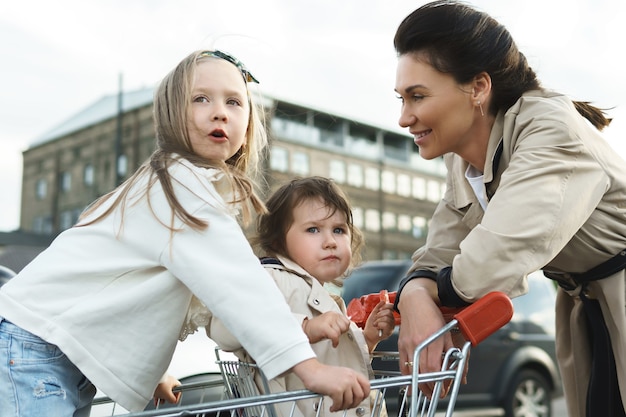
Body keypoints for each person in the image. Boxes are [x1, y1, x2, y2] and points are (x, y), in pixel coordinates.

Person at [0, 49, 369, 416]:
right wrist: (310, 368)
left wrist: (152, 370)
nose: (220, 111)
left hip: (45, 350)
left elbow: (126, 286)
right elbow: (240, 288)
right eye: (200, 99)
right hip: (34, 349)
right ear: (171, 113)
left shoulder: (171, 186)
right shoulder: (181, 186)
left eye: (235, 102)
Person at [390, 2, 625, 417]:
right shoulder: (463, 161)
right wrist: (414, 292)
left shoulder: (549, 127)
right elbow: (438, 253)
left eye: (418, 96)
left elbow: (493, 257)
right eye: (402, 98)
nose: (404, 117)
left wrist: (421, 300)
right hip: (589, 308)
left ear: (479, 88)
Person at [205, 176, 396, 417]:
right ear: (278, 240)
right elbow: (225, 323)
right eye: (313, 229)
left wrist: (367, 338)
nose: (330, 242)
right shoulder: (269, 277)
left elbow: (331, 356)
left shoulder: (325, 296)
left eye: (339, 230)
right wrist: (304, 327)